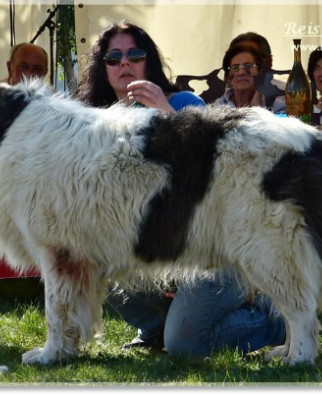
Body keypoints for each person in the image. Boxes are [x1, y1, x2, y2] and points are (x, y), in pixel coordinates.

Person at [75, 21, 286, 357]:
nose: (125, 63)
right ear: (103, 68)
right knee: (92, 257)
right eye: (114, 58)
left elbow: (217, 170)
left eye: (135, 54)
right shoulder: (91, 123)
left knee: (185, 346)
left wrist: (167, 114)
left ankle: (269, 319)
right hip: (152, 248)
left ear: (149, 62)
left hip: (212, 251)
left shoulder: (182, 101)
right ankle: (156, 328)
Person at [226, 32, 287, 113]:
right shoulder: (216, 101)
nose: (241, 72)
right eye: (235, 66)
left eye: (249, 65)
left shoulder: (286, 98)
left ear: (268, 63)